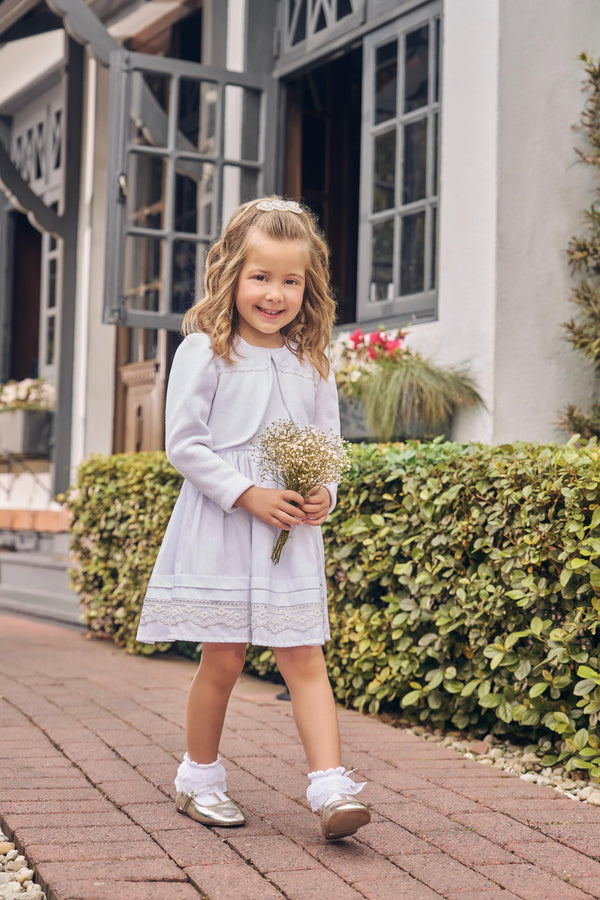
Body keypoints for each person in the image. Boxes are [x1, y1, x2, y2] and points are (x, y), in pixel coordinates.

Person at [136, 196, 370, 841]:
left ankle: (330, 788)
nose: (274, 294)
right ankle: (199, 777)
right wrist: (246, 493)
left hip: (289, 530)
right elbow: (184, 444)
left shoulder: (314, 361)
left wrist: (323, 492)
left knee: (304, 654)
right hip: (224, 520)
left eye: (290, 281)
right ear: (232, 276)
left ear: (308, 286)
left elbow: (327, 448)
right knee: (225, 655)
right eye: (260, 278)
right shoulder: (204, 351)